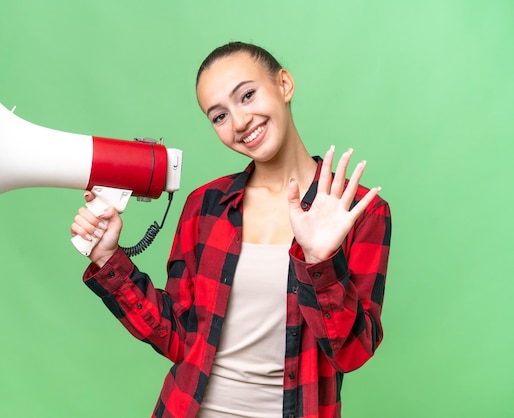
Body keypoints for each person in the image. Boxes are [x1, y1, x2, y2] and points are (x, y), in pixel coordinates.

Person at [70, 41, 392, 418]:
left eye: (248, 95)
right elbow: (179, 338)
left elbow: (351, 354)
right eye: (219, 116)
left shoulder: (359, 213)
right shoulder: (204, 206)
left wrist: (321, 263)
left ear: (284, 85)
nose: (240, 122)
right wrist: (108, 257)